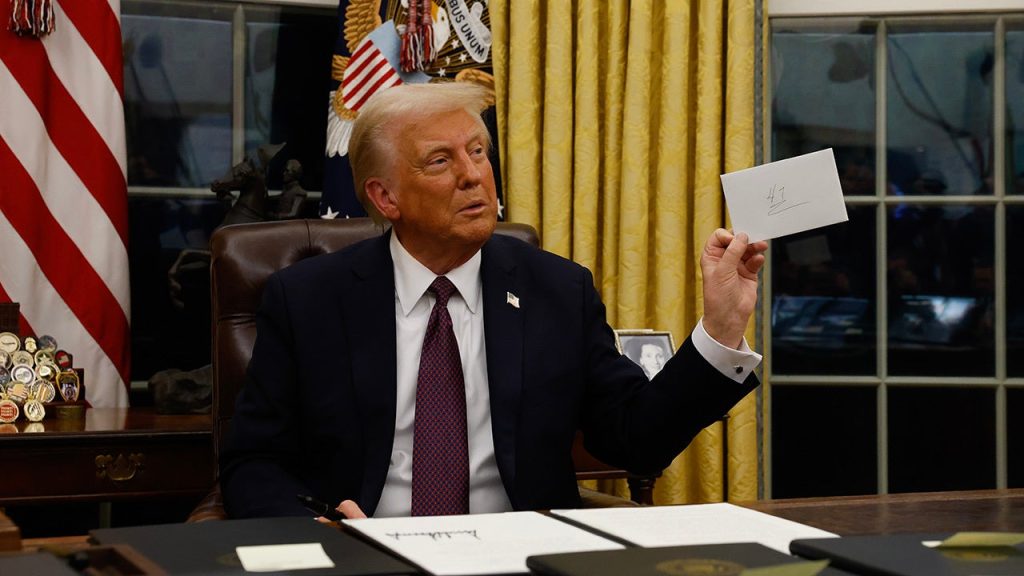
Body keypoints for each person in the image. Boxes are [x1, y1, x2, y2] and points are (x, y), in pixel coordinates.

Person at [220, 82, 767, 520]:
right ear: (385, 197)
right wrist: (313, 528)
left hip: (516, 556)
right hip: (366, 554)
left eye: (478, 152)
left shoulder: (557, 291)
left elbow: (634, 438)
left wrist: (720, 330)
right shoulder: (310, 300)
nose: (473, 175)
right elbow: (253, 461)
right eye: (440, 161)